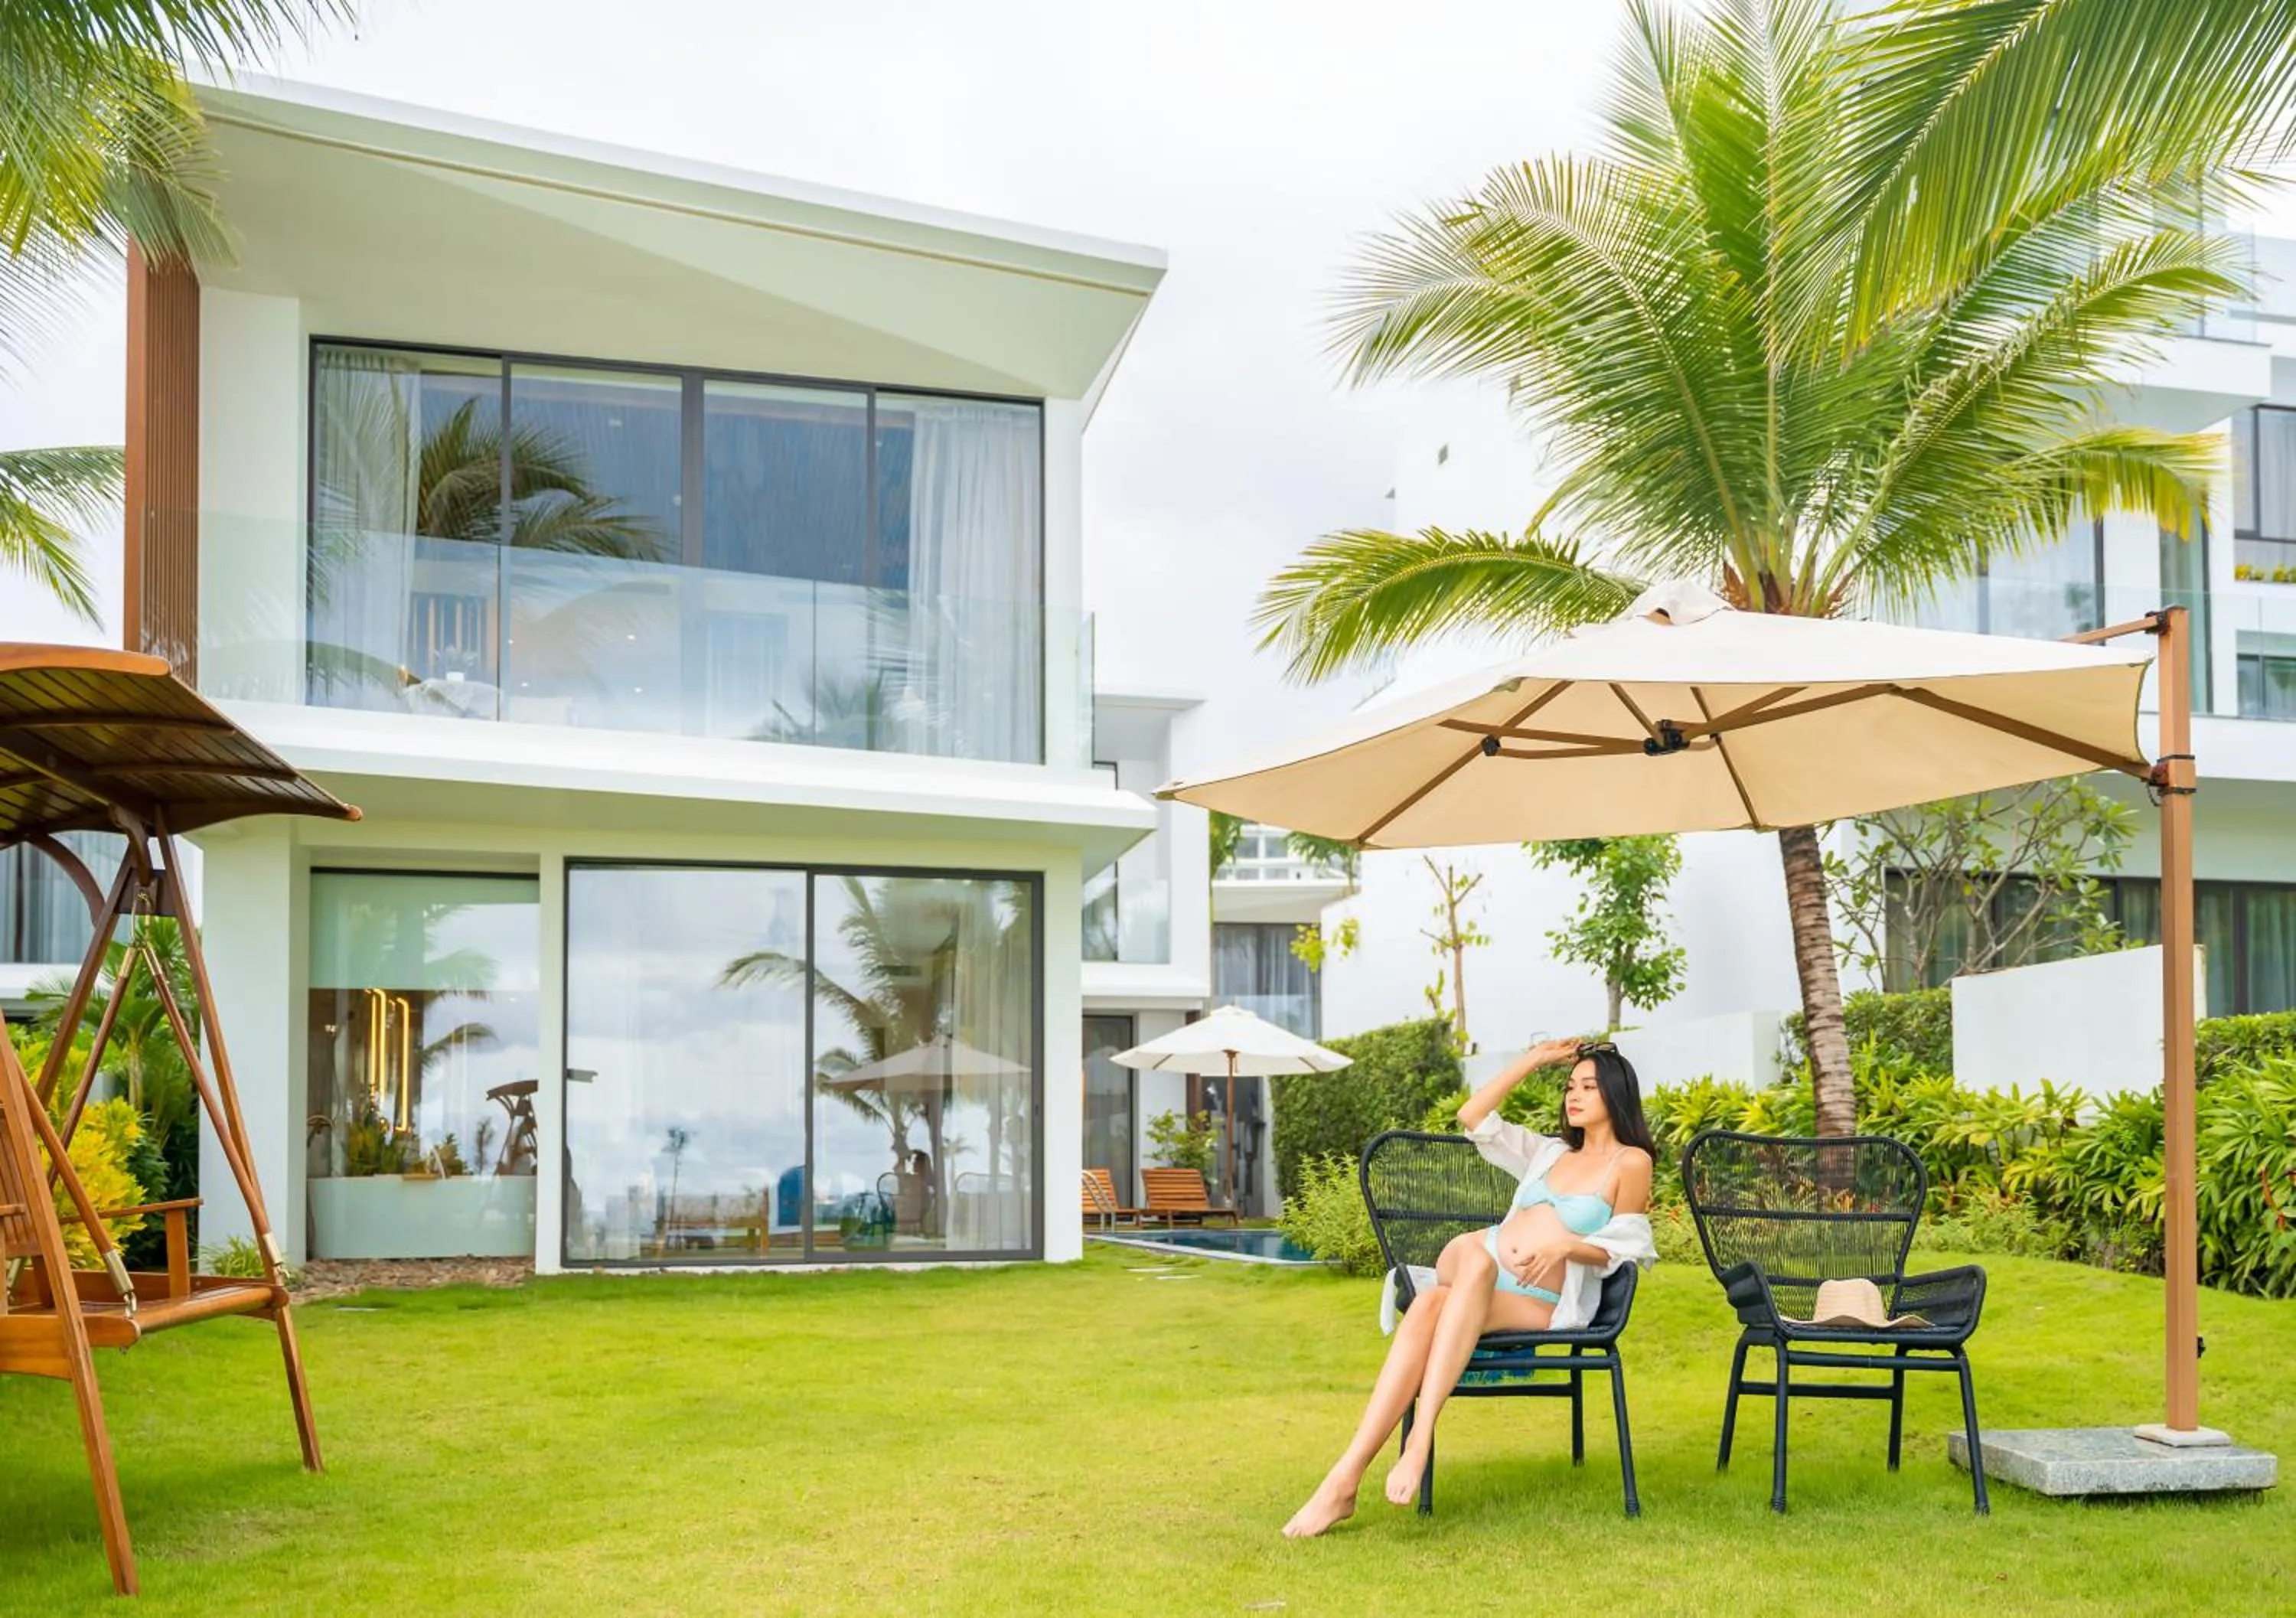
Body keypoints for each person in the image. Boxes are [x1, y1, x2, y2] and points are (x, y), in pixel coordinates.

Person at [1282, 1039, 1658, 1538]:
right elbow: (1473, 1115)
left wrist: (1567, 1245)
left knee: (1431, 1305)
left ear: (1616, 1092)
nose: (1574, 1095)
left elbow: (1629, 1244)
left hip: (1536, 1301)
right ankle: (1412, 1444)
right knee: (1476, 1261)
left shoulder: (1631, 1163)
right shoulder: (1549, 1152)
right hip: (1474, 1261)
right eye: (1570, 1086)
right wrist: (1533, 1060)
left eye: (1588, 1087)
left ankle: (1347, 1479)